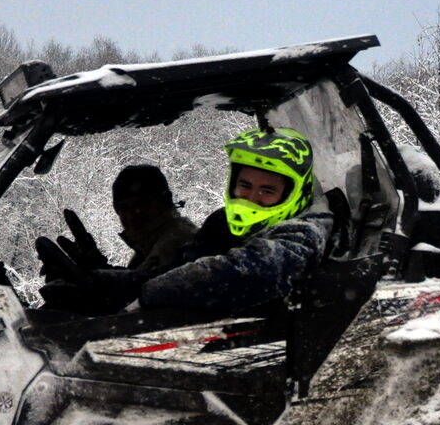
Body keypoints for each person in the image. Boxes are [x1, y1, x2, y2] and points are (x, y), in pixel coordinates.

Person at [137, 126, 332, 313]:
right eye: (245, 185)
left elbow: (257, 272)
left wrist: (153, 291)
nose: (251, 198)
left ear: (292, 194)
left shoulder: (306, 232)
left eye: (267, 190)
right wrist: (125, 283)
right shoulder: (222, 224)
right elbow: (185, 263)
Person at [110, 164, 197, 274]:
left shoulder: (176, 247)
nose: (131, 215)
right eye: (123, 208)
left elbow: (143, 288)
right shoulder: (149, 245)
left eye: (141, 204)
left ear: (164, 202)